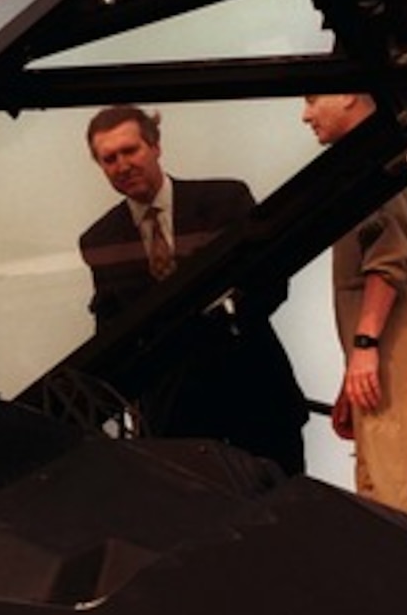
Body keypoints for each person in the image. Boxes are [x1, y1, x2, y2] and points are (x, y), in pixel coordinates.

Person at [79, 104, 309, 476]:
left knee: (288, 518)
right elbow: (110, 325)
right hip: (175, 418)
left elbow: (270, 281)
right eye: (109, 159)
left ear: (155, 147)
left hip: (256, 392)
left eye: (130, 150)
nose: (122, 165)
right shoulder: (99, 240)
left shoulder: (225, 200)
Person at [302, 93, 407, 525]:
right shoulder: (380, 151)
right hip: (391, 343)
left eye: (313, 99)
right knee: (383, 488)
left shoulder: (381, 152)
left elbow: (389, 256)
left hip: (400, 339)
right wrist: (355, 366)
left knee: (405, 499)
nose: (305, 114)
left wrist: (366, 344)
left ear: (349, 95)